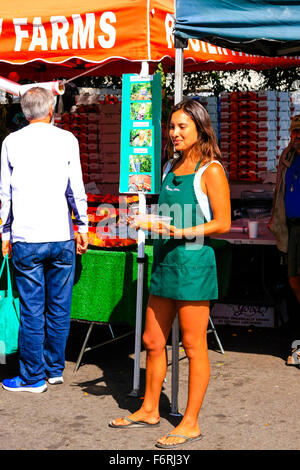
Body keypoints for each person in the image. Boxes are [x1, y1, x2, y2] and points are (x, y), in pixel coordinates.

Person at [109, 99, 231, 448]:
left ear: (200, 129)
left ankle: (190, 422)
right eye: (172, 127)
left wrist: (174, 230)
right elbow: (165, 216)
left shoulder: (211, 170)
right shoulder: (167, 167)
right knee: (151, 341)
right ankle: (149, 409)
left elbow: (223, 223)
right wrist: (145, 221)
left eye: (182, 127)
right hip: (164, 261)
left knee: (193, 346)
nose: (174, 133)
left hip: (193, 264)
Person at [0, 86, 88, 393]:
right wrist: (83, 226)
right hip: (61, 236)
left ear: (24, 113)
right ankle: (54, 369)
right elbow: (76, 188)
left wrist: (4, 233)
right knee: (59, 307)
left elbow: (5, 194)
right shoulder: (67, 140)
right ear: (51, 109)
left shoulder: (12, 141)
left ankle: (32, 376)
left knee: (32, 308)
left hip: (27, 237)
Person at [268, 114, 300, 366]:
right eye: (294, 132)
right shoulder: (288, 157)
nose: (297, 137)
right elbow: (280, 188)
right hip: (292, 226)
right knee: (293, 280)